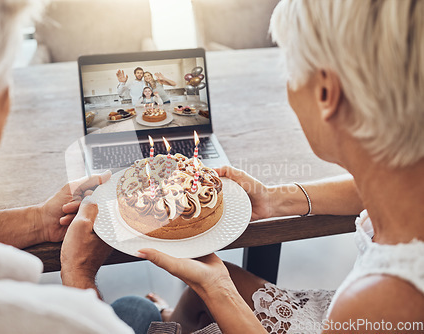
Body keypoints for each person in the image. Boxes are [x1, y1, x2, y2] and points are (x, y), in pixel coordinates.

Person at [138, 0, 424, 333]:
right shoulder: (405, 177)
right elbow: (379, 186)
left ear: (326, 93)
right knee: (193, 297)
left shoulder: (383, 303)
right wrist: (275, 198)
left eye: (289, 68)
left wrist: (217, 289)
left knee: (171, 300)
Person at [0, 1, 160, 333]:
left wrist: (37, 222)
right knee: (135, 309)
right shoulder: (66, 323)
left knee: (136, 308)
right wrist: (78, 273)